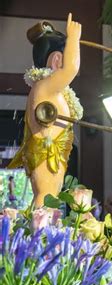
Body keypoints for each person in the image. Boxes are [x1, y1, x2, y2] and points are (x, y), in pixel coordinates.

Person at [8, 14, 82, 208]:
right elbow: (71, 69)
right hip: (47, 151)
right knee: (46, 197)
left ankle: (43, 235)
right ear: (57, 59)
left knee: (50, 197)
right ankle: (40, 237)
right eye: (66, 55)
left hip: (52, 152)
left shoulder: (49, 88)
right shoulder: (45, 86)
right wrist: (74, 38)